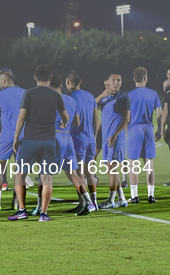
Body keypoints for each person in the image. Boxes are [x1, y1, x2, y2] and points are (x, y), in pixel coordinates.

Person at [8, 64, 68, 222]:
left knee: (20, 174)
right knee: (46, 177)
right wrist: (62, 122)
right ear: (50, 78)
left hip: (30, 140)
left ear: (35, 77)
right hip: (48, 141)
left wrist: (15, 138)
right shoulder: (56, 96)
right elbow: (66, 118)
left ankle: (22, 210)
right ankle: (44, 213)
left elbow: (21, 118)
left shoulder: (28, 94)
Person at [41, 75, 95, 216]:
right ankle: (88, 202)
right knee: (73, 173)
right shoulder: (71, 100)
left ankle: (42, 211)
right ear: (61, 85)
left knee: (45, 174)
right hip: (68, 138)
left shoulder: (48, 99)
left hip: (55, 138)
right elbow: (76, 122)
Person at [0, 70, 25, 211]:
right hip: (23, 136)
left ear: (3, 81)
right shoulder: (24, 92)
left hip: (7, 136)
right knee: (19, 171)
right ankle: (16, 203)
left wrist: (0, 130)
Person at [126, 67, 162, 203]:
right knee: (149, 164)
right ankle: (151, 196)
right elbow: (159, 114)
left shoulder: (129, 94)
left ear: (134, 79)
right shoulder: (154, 93)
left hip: (134, 129)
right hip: (148, 129)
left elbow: (127, 116)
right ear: (146, 78)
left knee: (133, 164)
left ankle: (134, 196)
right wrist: (159, 130)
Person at [66, 71, 100, 210]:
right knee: (89, 172)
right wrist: (94, 135)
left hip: (77, 139)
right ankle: (95, 202)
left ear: (68, 82)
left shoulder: (70, 98)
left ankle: (84, 203)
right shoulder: (90, 96)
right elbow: (96, 119)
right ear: (80, 81)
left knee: (79, 173)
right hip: (90, 138)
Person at [97, 73, 130, 209]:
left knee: (112, 168)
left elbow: (126, 119)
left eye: (119, 81)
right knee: (112, 169)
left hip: (115, 138)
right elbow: (90, 104)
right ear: (107, 82)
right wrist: (103, 94)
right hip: (106, 138)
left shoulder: (123, 97)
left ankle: (111, 200)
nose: (116, 83)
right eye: (113, 80)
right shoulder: (105, 98)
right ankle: (121, 199)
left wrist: (115, 135)